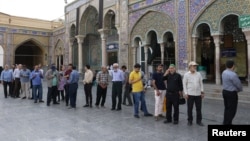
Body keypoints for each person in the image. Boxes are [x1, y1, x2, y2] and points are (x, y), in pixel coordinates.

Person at [183, 61, 204, 126]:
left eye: (195, 66)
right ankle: (190, 121)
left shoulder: (198, 74)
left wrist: (202, 92)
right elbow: (184, 84)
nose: (195, 67)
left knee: (199, 108)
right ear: (190, 67)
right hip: (190, 94)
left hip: (198, 94)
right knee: (189, 108)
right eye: (194, 66)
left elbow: (201, 83)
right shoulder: (186, 75)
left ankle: (199, 121)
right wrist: (186, 93)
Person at [221, 60, 242, 125]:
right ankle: (227, 123)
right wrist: (239, 90)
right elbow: (238, 84)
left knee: (227, 108)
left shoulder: (224, 72)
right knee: (232, 110)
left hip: (225, 92)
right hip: (231, 93)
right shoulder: (233, 74)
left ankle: (226, 122)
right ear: (233, 66)